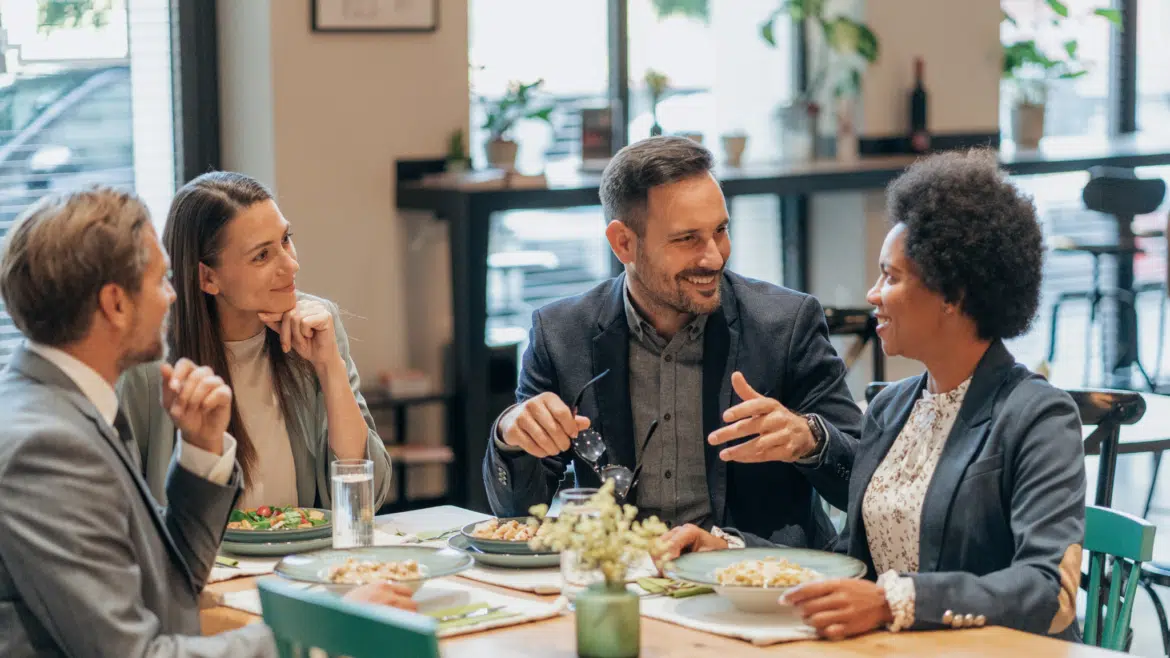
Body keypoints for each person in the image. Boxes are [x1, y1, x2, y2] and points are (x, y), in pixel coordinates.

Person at [665, 151, 1086, 641]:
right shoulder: (891, 407)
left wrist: (895, 601)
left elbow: (1047, 590)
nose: (873, 293)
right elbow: (850, 563)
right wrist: (732, 553)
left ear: (955, 296)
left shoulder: (1038, 416)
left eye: (892, 276)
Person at [0, 187, 415, 657]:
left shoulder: (60, 407)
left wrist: (199, 453)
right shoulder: (47, 446)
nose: (172, 298)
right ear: (116, 304)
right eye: (159, 281)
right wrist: (323, 630)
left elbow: (166, 584)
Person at [483, 136, 862, 548]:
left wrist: (811, 439)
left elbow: (865, 484)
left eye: (720, 231)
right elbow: (518, 514)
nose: (714, 257)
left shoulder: (786, 323)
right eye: (687, 239)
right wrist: (510, 436)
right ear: (623, 243)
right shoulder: (561, 333)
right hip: (619, 579)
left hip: (753, 580)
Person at [119, 172, 392, 509]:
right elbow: (122, 508)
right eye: (262, 256)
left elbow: (366, 498)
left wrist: (330, 367)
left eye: (286, 239)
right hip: (202, 561)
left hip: (299, 557)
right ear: (208, 277)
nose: (291, 265)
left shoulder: (318, 326)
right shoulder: (146, 360)